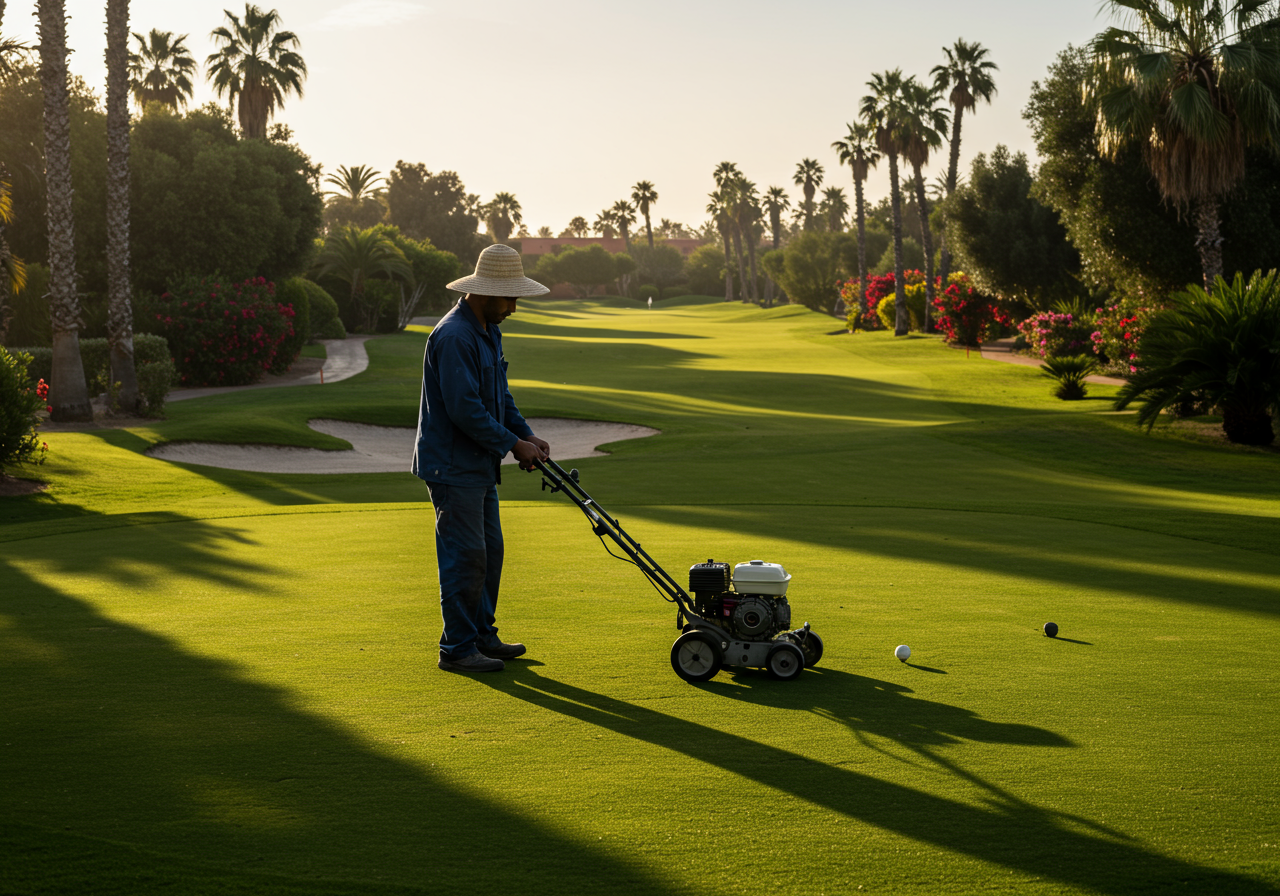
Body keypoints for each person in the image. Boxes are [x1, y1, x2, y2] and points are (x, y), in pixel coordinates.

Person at [412, 244, 551, 673]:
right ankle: (457, 649)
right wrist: (512, 444)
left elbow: (498, 396)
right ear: (484, 293)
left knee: (489, 551)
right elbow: (465, 408)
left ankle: (481, 637)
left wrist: (526, 433)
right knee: (466, 554)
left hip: (478, 465)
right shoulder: (454, 336)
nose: (513, 306)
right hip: (452, 467)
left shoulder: (488, 331)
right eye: (508, 298)